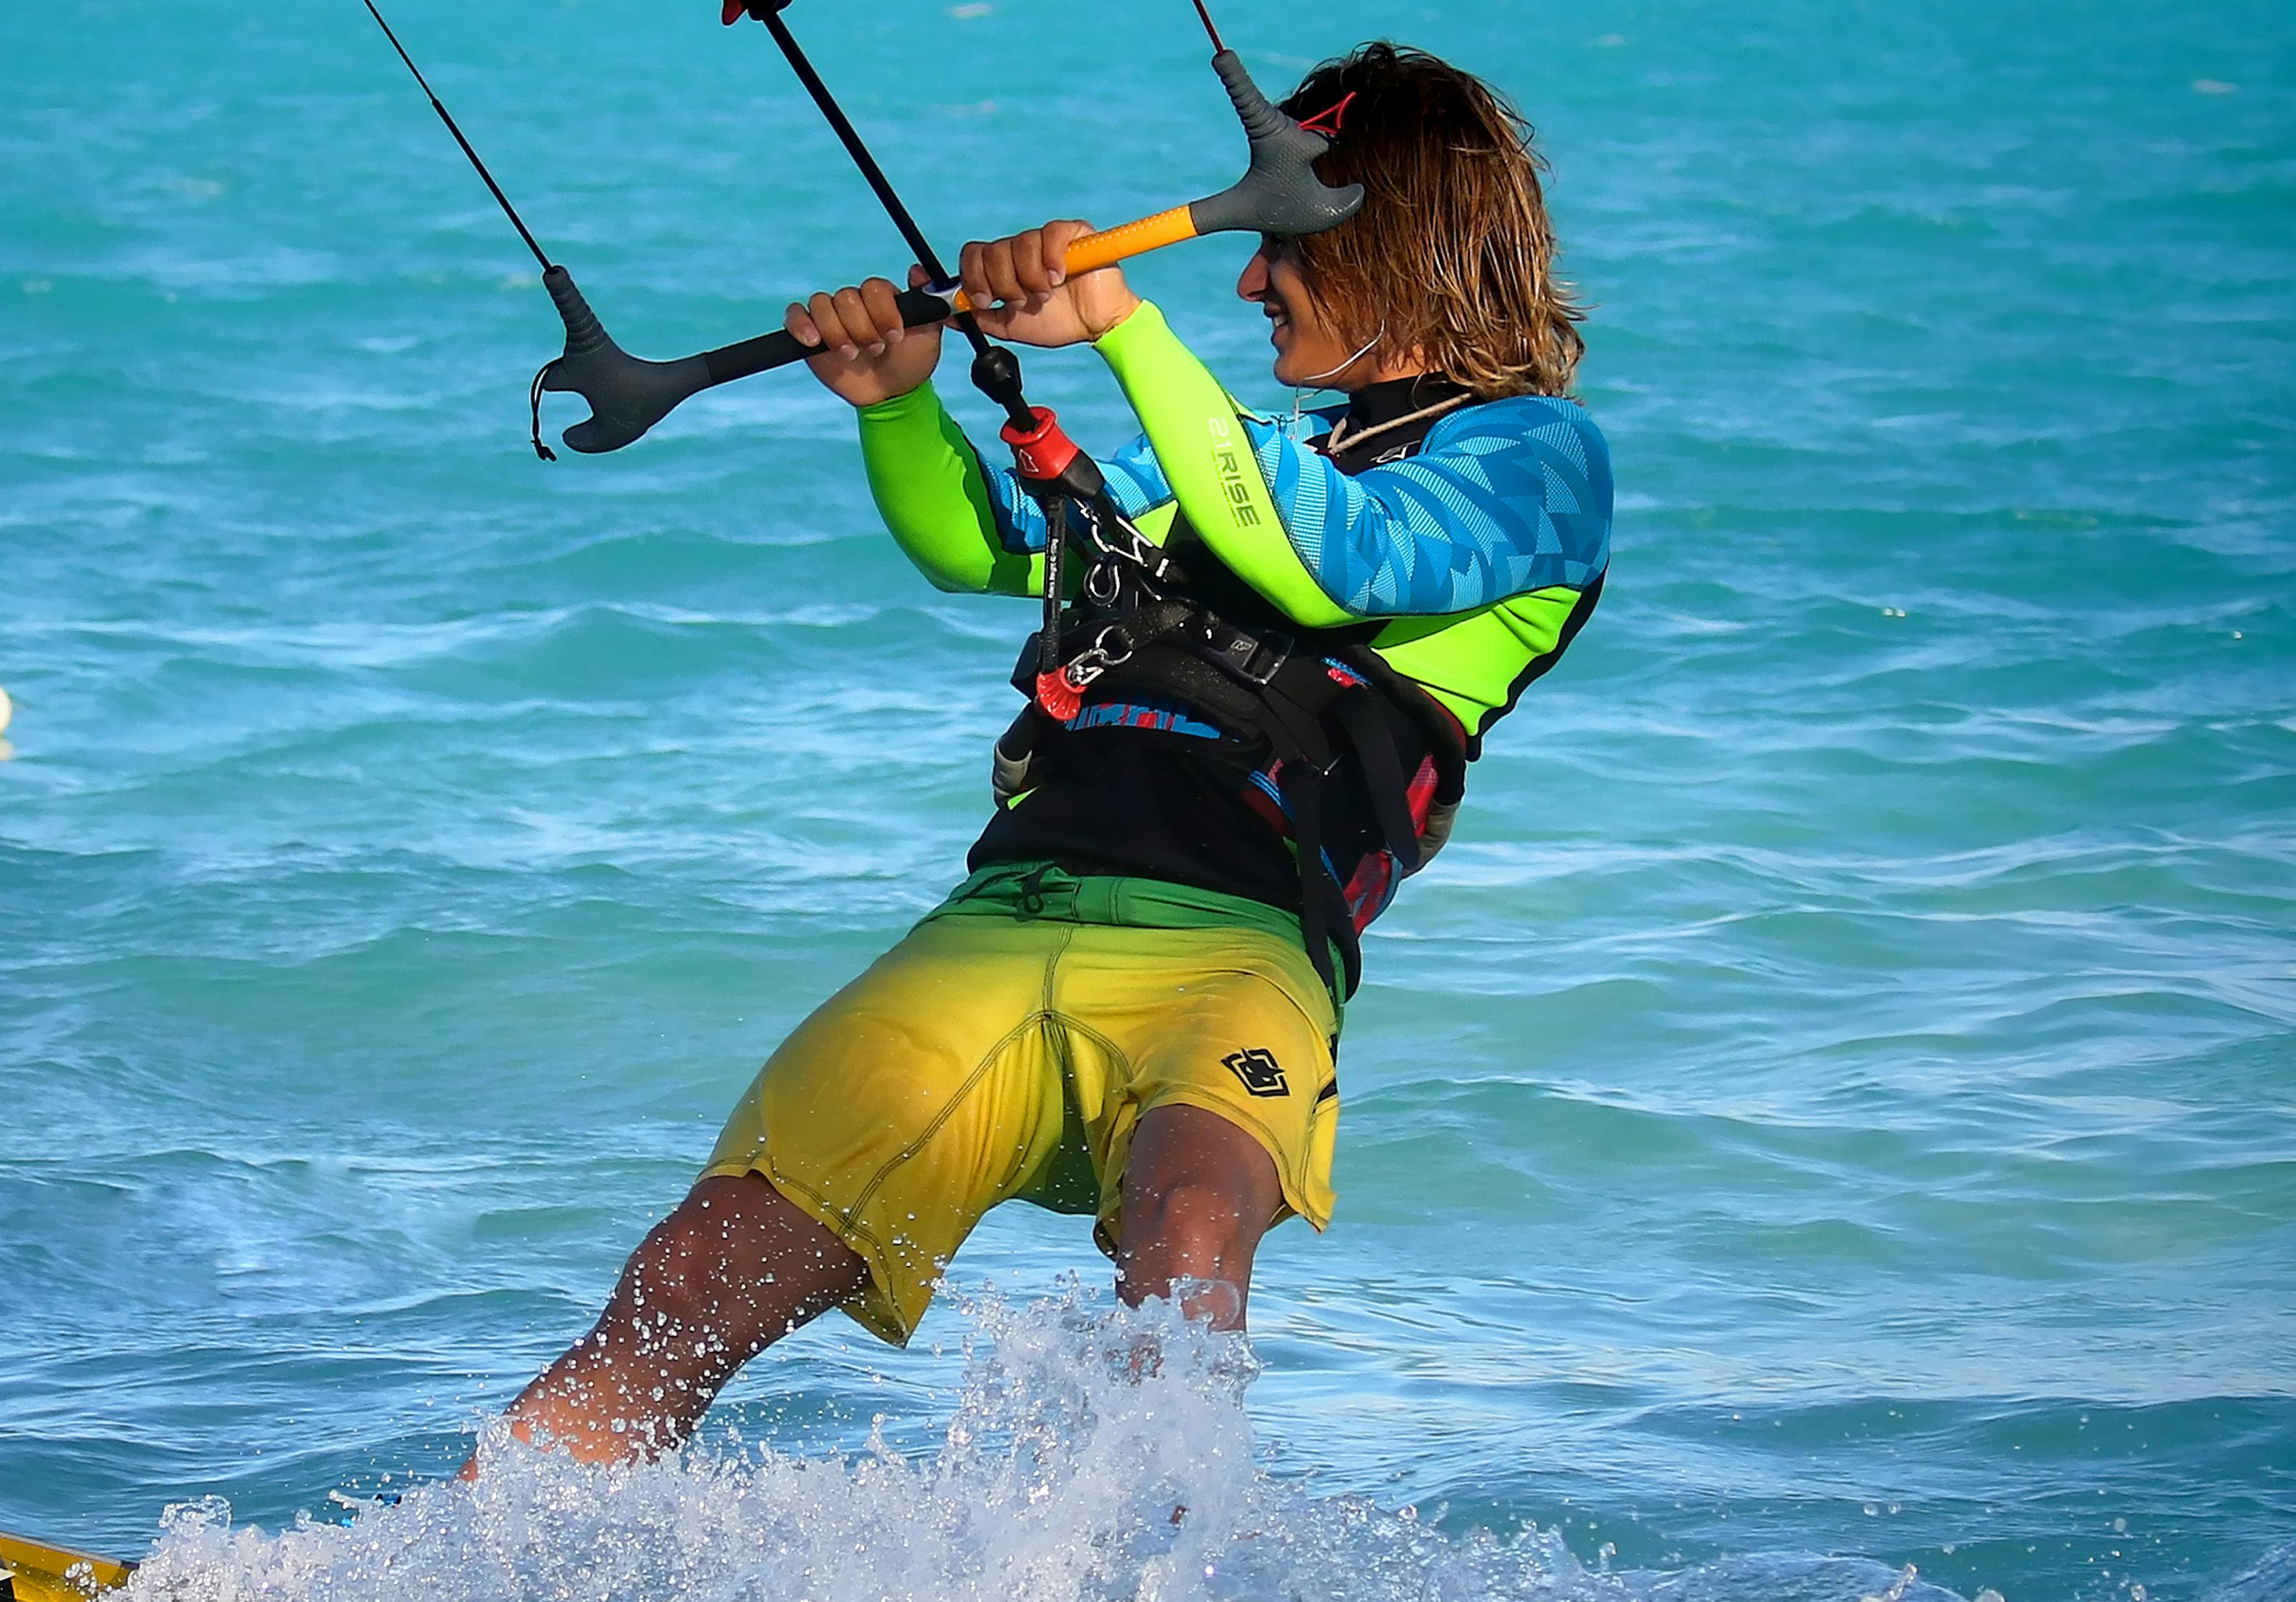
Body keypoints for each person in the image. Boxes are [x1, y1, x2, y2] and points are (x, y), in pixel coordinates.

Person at [494, 42, 1612, 1466]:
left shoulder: (1540, 464)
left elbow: (1335, 560)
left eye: (1278, 249)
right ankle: (442, 1587)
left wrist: (1124, 325)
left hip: (1233, 954)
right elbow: (986, 546)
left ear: (1388, 244)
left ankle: (1159, 1596)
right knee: (689, 1280)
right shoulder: (1227, 452)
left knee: (1188, 1233)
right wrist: (897, 402)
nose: (1251, 283)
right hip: (1001, 924)